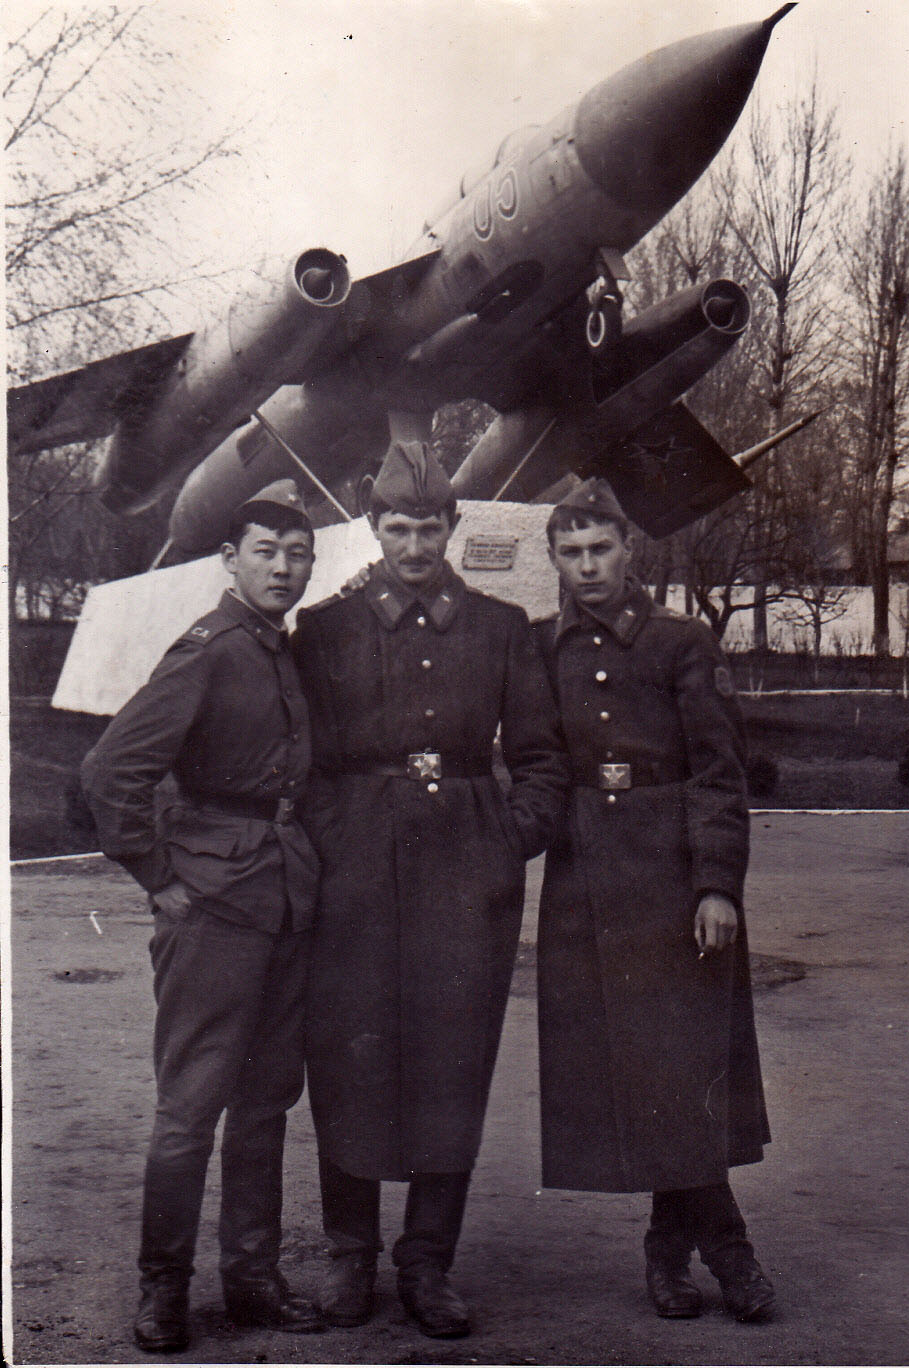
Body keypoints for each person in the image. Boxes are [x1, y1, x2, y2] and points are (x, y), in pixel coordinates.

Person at [291, 441, 568, 1339]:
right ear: (373, 529)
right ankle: (349, 1258)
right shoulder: (325, 630)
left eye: (430, 527)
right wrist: (330, 842)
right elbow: (306, 763)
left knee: (454, 1059)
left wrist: (504, 843)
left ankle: (428, 1262)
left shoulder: (499, 627)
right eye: (398, 527)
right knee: (350, 1057)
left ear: (454, 528)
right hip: (355, 871)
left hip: (465, 869)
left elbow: (539, 759)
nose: (415, 544)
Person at [81, 480, 324, 1352]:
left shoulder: (277, 648)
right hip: (215, 904)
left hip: (284, 898)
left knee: (264, 1105)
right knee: (190, 1109)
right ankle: (165, 1288)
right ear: (229, 559)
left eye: (299, 555)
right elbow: (113, 771)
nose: (285, 569)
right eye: (267, 551)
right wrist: (157, 873)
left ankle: (253, 1279)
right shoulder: (212, 648)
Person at [534, 477, 775, 1324]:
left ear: (629, 549)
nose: (588, 566)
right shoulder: (542, 648)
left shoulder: (680, 642)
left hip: (675, 882)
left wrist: (717, 884)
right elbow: (530, 764)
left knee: (681, 1067)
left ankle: (702, 1248)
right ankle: (690, 1248)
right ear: (554, 559)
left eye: (601, 548)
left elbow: (718, 771)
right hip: (587, 885)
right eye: (571, 552)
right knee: (641, 1071)